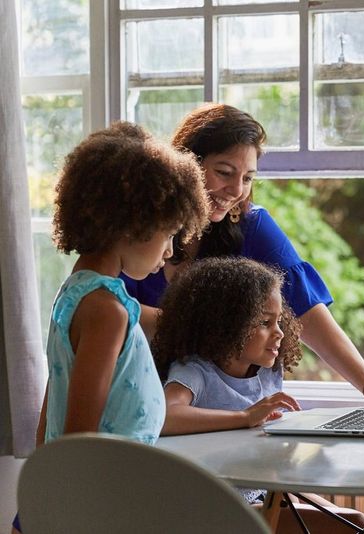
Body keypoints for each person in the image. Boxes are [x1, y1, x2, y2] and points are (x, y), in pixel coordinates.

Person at [122, 103, 364, 411]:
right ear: (187, 164)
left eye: (248, 178)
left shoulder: (252, 225)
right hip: (138, 400)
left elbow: (306, 312)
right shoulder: (139, 230)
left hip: (218, 410)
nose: (237, 189)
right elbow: (102, 307)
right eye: (224, 172)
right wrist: (203, 323)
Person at [11, 122, 209, 534]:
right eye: (169, 234)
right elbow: (81, 439)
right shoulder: (106, 311)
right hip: (104, 507)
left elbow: (53, 408)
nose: (170, 252)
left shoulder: (78, 291)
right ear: (131, 223)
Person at [153, 256, 364, 532]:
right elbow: (165, 415)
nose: (279, 333)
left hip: (263, 492)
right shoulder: (197, 372)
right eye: (265, 323)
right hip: (216, 509)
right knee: (352, 526)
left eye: (279, 321)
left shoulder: (268, 373)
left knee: (360, 523)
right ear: (226, 325)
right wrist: (244, 417)